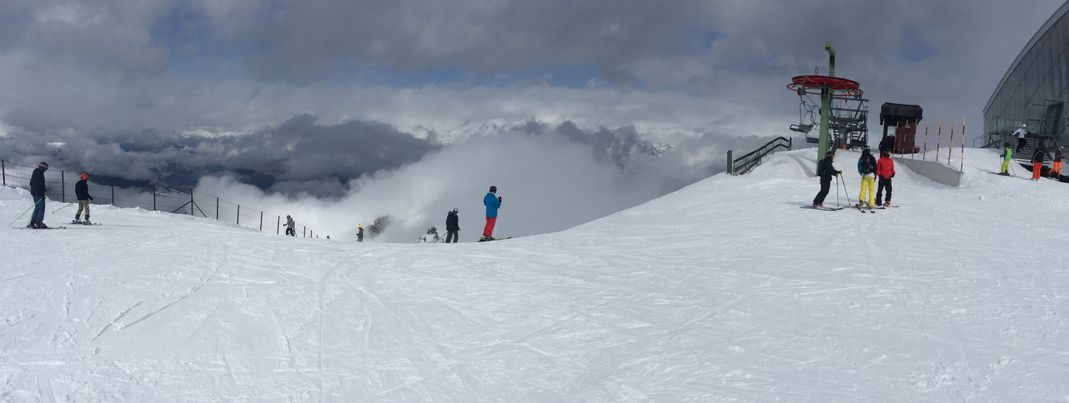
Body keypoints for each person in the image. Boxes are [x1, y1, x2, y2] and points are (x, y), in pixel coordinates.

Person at [28, 162, 49, 229]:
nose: (46, 170)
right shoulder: (40, 174)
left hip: (34, 193)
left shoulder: (35, 172)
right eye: (45, 168)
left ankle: (33, 222)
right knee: (41, 207)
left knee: (37, 207)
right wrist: (42, 192)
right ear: (43, 168)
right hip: (39, 193)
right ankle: (39, 222)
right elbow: (40, 184)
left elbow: (31, 183)